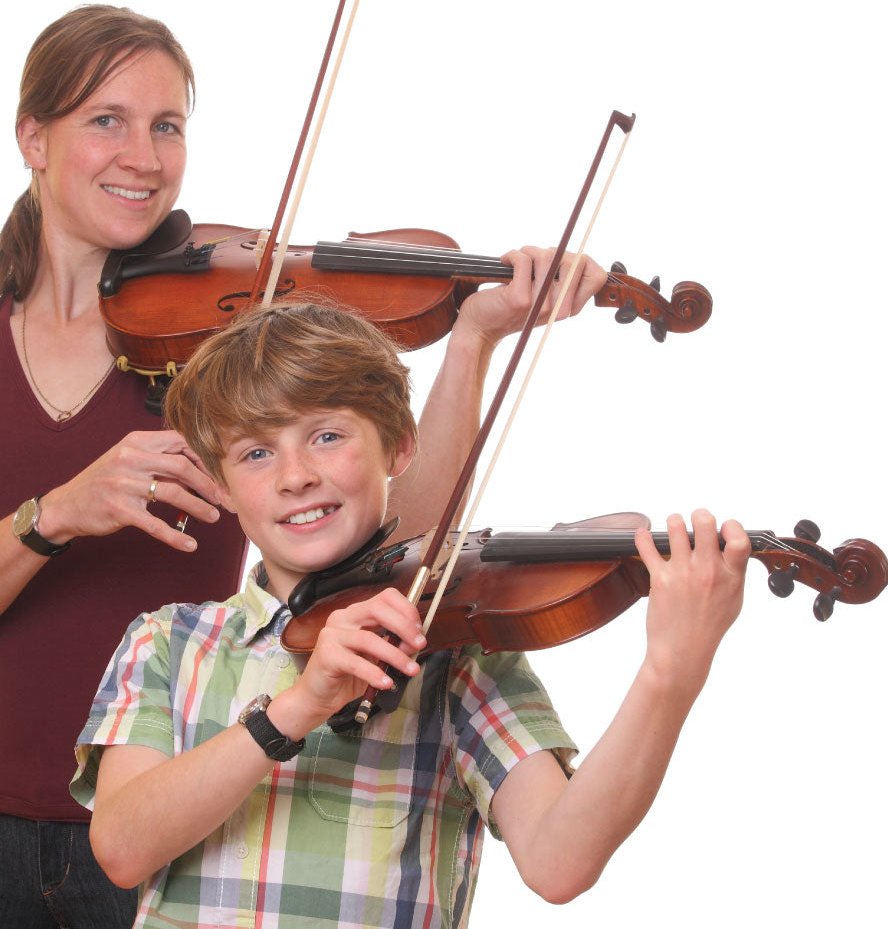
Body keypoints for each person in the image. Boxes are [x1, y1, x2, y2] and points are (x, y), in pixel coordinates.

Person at [0, 5, 607, 926]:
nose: (144, 156)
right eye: (107, 119)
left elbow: (390, 545)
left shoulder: (231, 346)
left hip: (203, 813)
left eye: (167, 125)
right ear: (33, 137)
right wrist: (53, 513)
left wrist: (468, 349)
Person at [71, 303, 751, 928]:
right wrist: (300, 705)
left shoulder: (452, 651)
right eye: (256, 452)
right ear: (220, 484)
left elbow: (559, 862)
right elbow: (123, 848)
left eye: (328, 435)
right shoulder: (169, 640)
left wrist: (672, 672)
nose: (295, 475)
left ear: (397, 444)